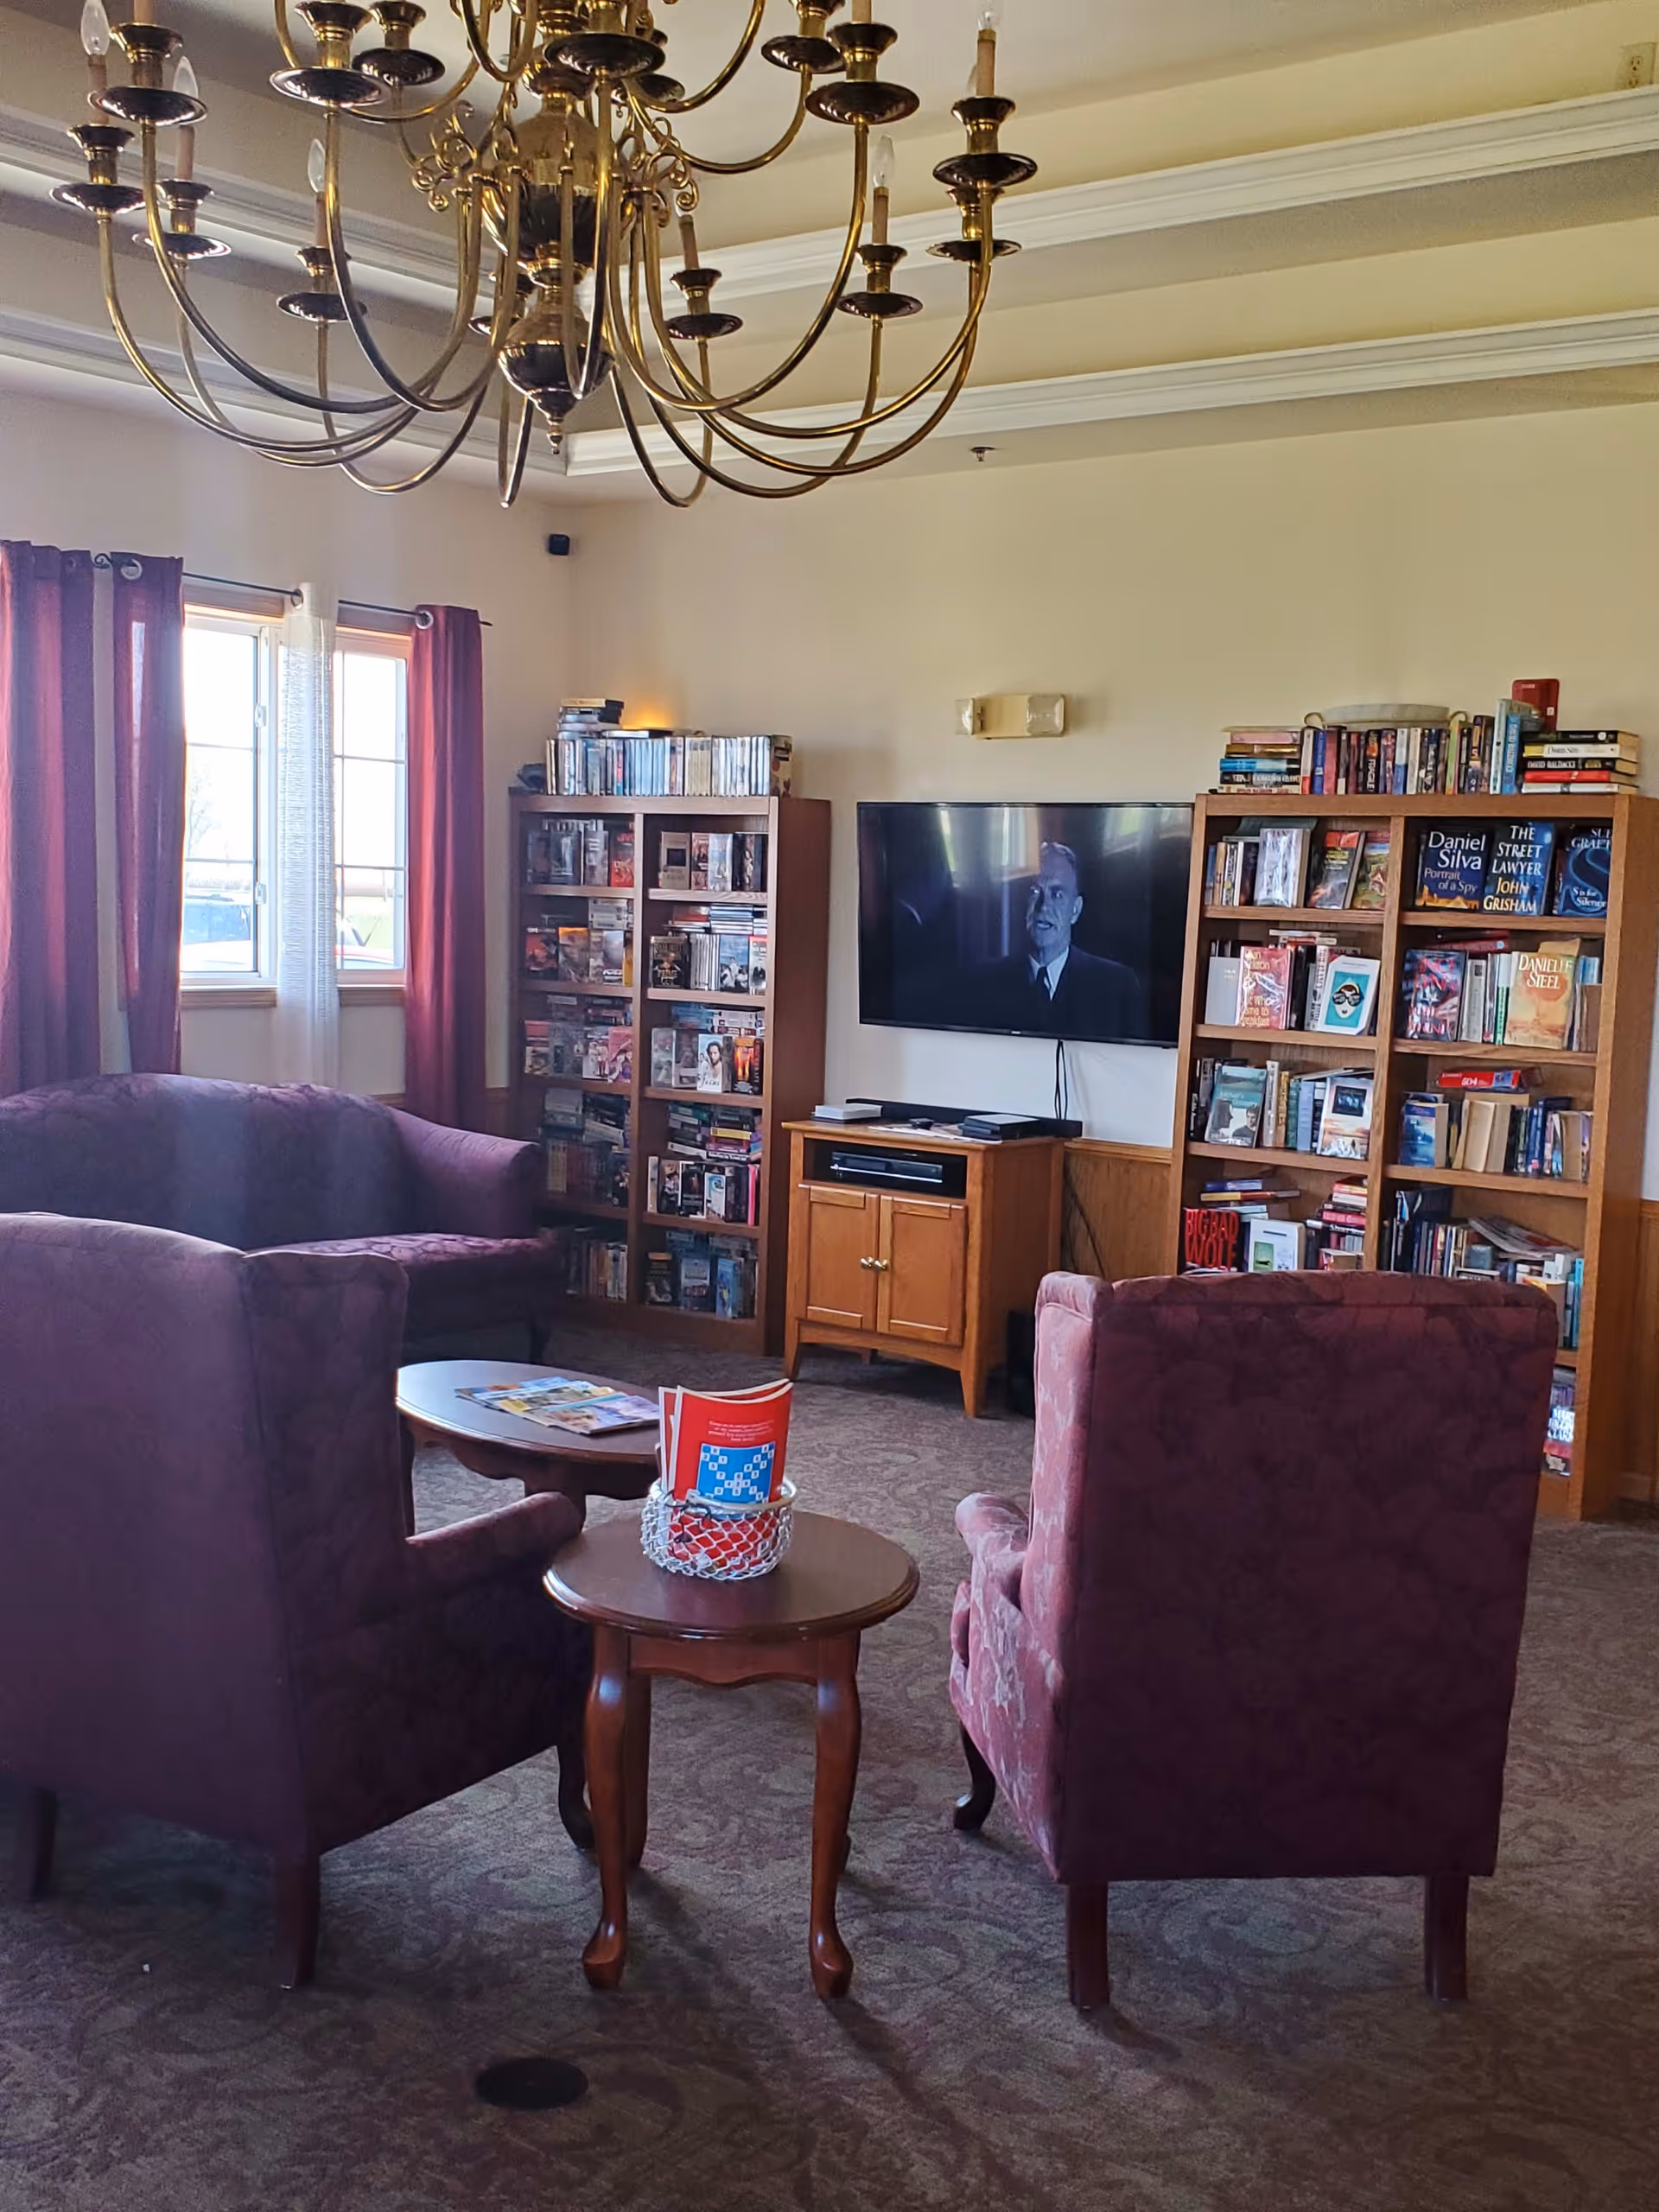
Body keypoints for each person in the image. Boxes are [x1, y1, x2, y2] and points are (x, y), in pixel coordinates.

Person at [976, 841, 1147, 1039]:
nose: (1043, 906)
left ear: (1075, 909)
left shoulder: (1118, 987)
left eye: (1056, 894)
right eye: (1035, 892)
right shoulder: (985, 984)